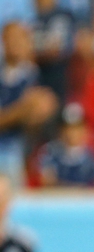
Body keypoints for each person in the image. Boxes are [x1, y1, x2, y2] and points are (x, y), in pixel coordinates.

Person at [0, 20, 57, 183]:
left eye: (19, 38)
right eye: (9, 39)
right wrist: (22, 110)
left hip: (16, 154)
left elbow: (34, 122)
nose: (14, 44)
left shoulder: (32, 75)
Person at [29, 0, 76, 104]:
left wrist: (30, 52)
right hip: (26, 90)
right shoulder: (22, 14)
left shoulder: (64, 15)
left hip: (57, 89)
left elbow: (57, 49)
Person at [36, 101, 94, 186]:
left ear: (85, 129)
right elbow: (47, 182)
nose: (72, 133)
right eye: (68, 128)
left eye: (76, 127)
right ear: (60, 130)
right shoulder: (50, 152)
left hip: (88, 199)